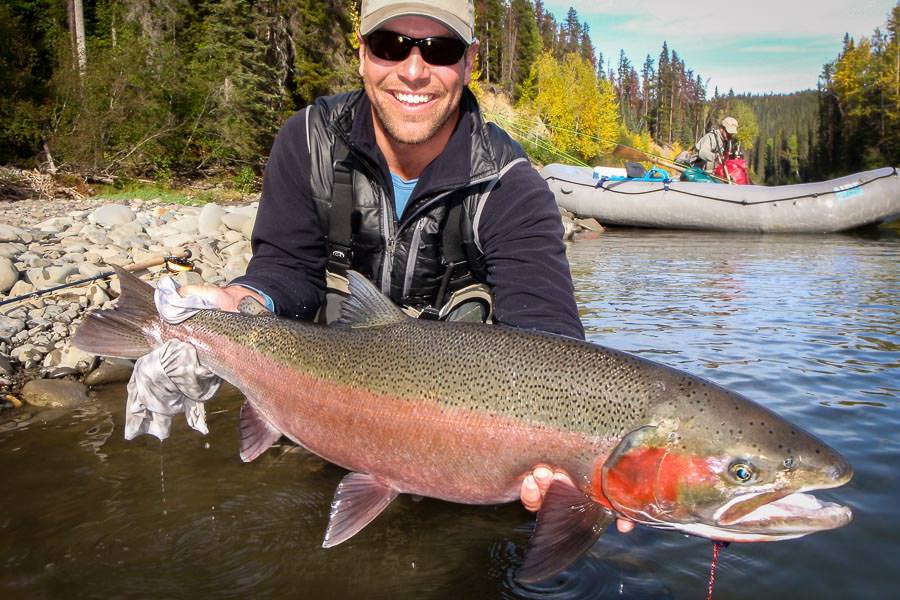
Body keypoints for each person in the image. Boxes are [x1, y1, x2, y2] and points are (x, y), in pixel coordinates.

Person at [168, 0, 630, 532]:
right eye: (391, 45)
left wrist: (581, 455)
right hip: (330, 408)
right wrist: (233, 304)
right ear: (362, 53)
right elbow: (285, 271)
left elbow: (551, 339)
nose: (413, 70)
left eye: (440, 49)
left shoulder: (512, 187)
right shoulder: (309, 141)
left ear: (470, 61)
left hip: (466, 448)